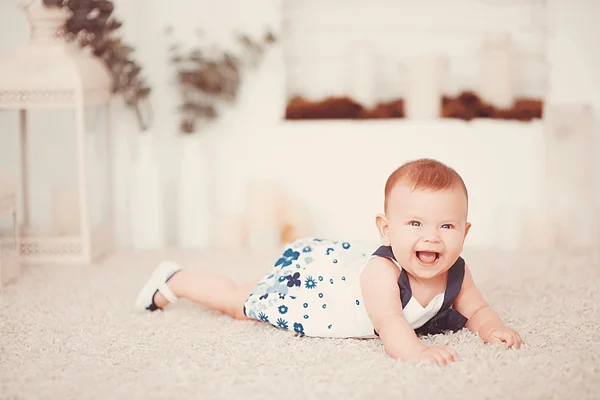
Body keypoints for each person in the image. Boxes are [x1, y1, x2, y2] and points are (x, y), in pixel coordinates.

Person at [135, 158, 523, 365]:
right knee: (242, 301)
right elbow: (390, 325)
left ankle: (179, 279)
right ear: (386, 231)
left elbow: (477, 308)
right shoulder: (382, 273)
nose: (431, 236)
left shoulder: (458, 271)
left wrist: (493, 330)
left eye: (447, 225)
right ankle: (177, 279)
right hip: (319, 291)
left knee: (244, 295)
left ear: (465, 233)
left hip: (337, 279)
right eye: (415, 223)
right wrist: (417, 352)